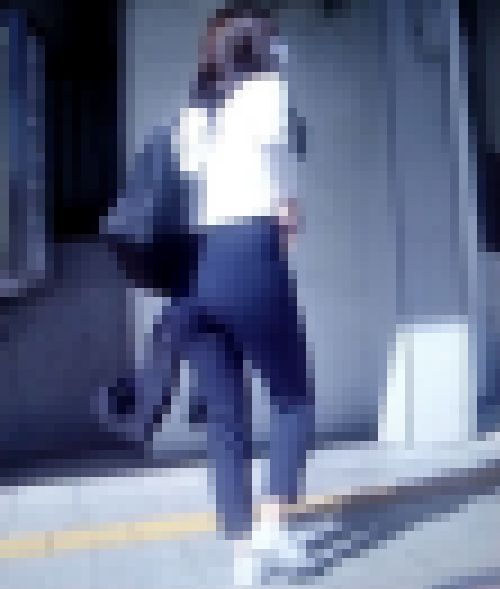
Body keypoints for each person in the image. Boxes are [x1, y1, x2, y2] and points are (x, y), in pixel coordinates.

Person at [103, 7, 314, 585]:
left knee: (225, 417)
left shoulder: (193, 110)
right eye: (274, 39)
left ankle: (243, 557)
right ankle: (273, 532)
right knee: (293, 399)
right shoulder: (267, 90)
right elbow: (286, 184)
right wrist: (288, 203)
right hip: (248, 253)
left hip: (192, 273)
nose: (281, 46)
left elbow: (190, 178)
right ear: (260, 46)